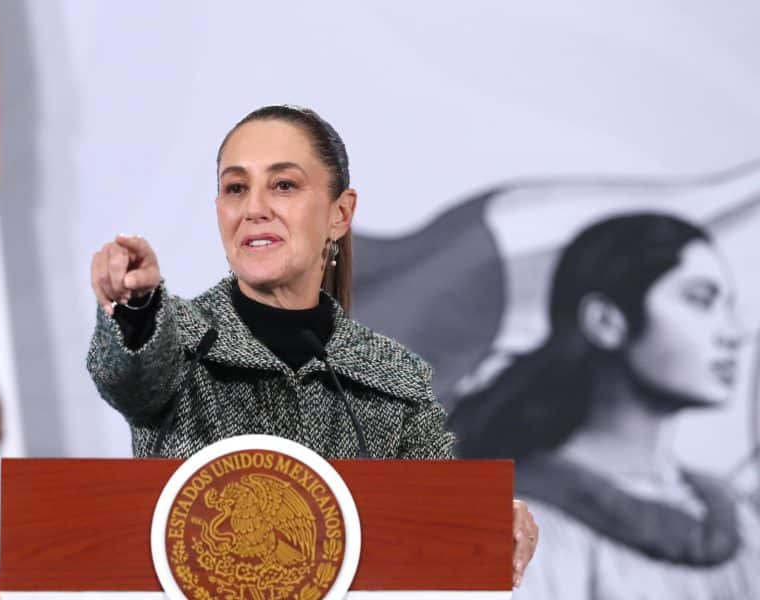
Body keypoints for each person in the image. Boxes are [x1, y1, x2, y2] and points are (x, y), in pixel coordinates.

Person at [86, 105, 538, 586]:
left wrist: (493, 520)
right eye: (236, 188)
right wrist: (136, 307)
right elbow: (130, 377)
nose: (254, 208)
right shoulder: (178, 337)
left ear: (340, 214)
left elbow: (438, 515)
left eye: (283, 185)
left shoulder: (393, 373)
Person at [448, 213, 760, 598]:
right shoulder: (515, 527)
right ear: (606, 321)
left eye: (729, 307)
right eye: (700, 300)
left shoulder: (739, 520)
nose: (733, 333)